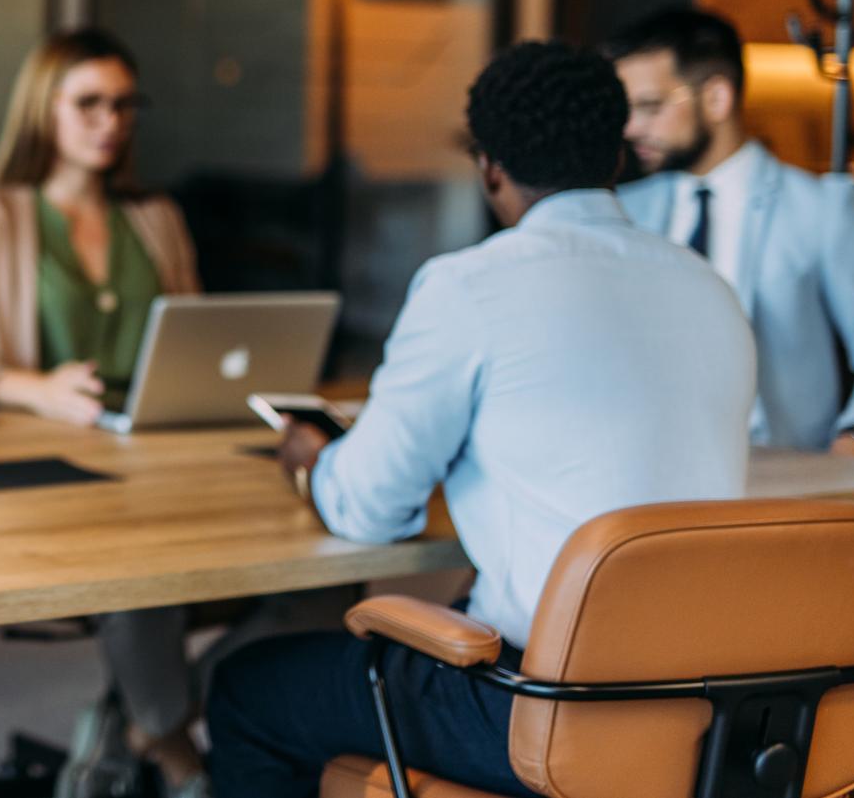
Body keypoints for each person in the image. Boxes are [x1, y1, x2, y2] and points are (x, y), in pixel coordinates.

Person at [206, 41, 754, 798]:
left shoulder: (470, 286)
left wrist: (313, 461)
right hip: (709, 712)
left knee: (249, 687)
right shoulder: (711, 291)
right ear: (617, 157)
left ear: (490, 166)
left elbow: (367, 508)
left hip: (546, 709)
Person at [0, 29, 208, 797]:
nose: (110, 121)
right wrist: (36, 387)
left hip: (157, 452)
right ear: (44, 111)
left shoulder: (157, 219)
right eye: (89, 103)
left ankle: (151, 716)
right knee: (141, 560)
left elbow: (198, 342)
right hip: (56, 469)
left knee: (324, 560)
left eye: (123, 104)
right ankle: (172, 739)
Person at [608, 6, 854, 457]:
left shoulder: (821, 208)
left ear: (716, 98)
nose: (631, 128)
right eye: (627, 111)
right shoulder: (622, 212)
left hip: (783, 484)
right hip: (650, 476)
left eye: (650, 107)